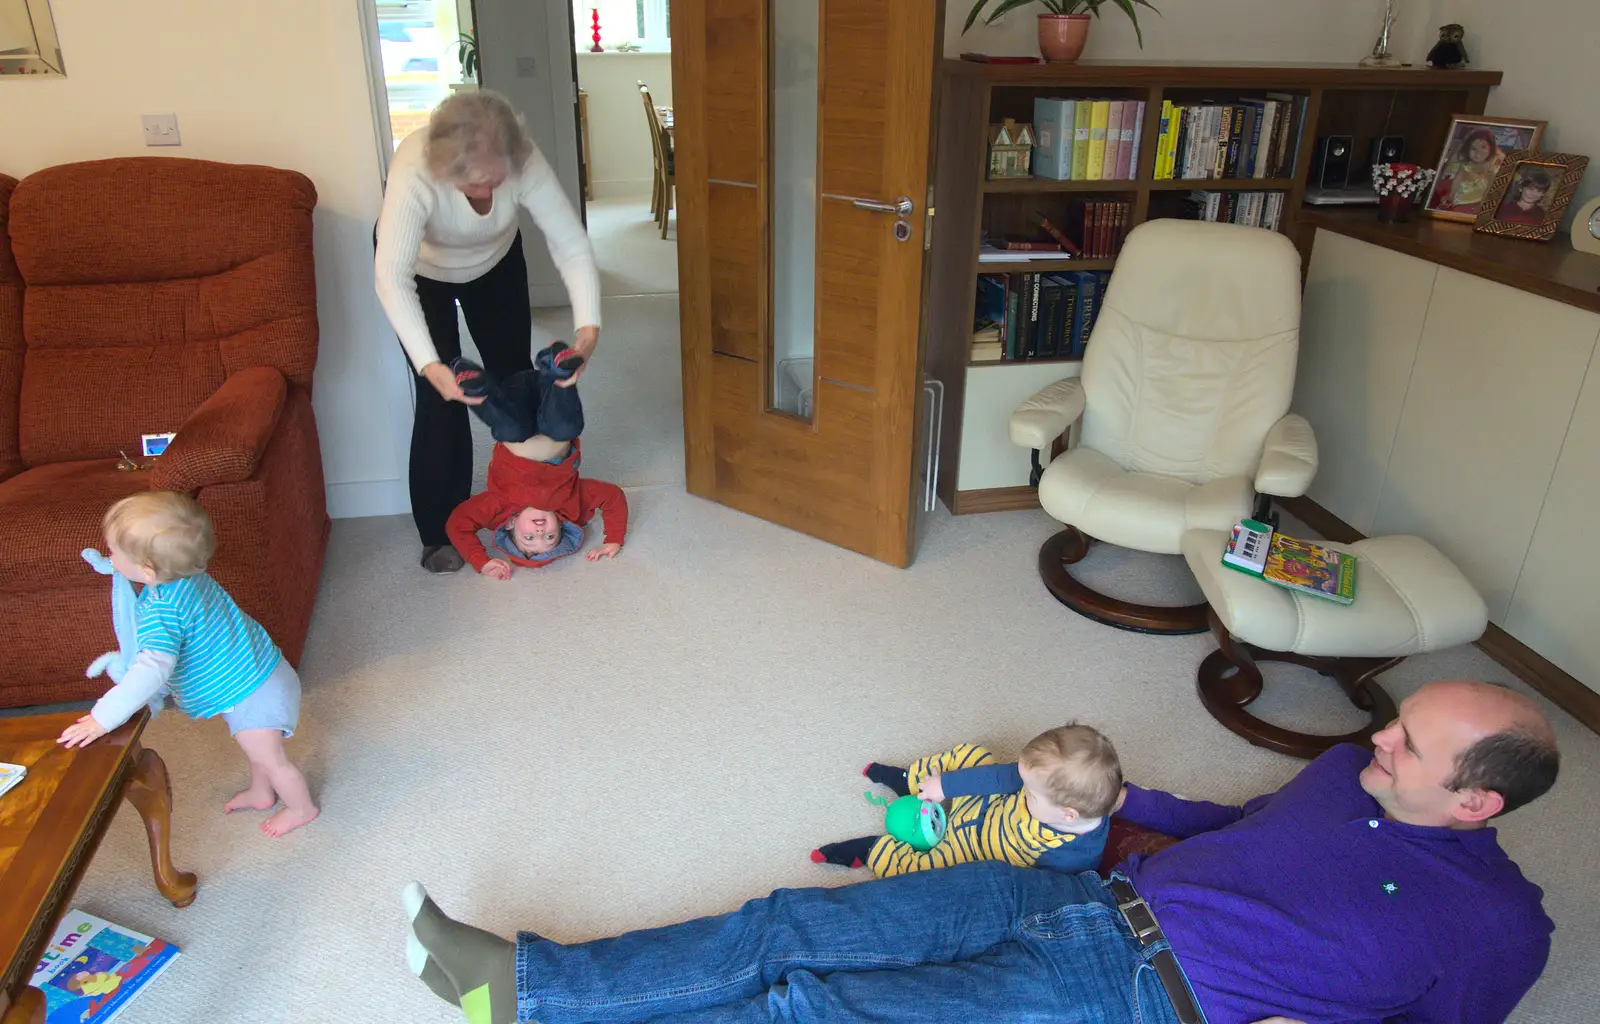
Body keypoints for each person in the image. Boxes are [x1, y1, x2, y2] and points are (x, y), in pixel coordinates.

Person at [398, 680, 1558, 1024]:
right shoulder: (1338, 775)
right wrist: (1096, 801)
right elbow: (1229, 824)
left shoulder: (1495, 929)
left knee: (814, 1008)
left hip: (1138, 995)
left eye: (1407, 743)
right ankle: (520, 985)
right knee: (784, 923)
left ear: (1474, 806)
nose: (1374, 734)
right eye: (1395, 716)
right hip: (1070, 889)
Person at [375, 89, 602, 574]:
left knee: (516, 383)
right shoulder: (415, 167)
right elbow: (391, 276)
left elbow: (570, 243)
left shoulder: (523, 156)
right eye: (472, 185)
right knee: (443, 397)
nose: (485, 194)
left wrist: (587, 327)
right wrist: (429, 363)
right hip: (421, 272)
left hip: (495, 262)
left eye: (494, 182)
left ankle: (530, 505)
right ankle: (440, 531)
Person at [58, 492, 317, 838]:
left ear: (148, 570)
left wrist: (103, 717)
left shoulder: (161, 612)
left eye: (115, 553)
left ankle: (301, 807)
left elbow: (151, 671)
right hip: (259, 671)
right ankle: (262, 792)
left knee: (270, 756)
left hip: (255, 690)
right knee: (250, 742)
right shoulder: (188, 575)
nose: (111, 557)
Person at [813, 725, 1119, 877]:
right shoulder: (1050, 787)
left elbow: (1022, 887)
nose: (1021, 786)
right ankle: (912, 781)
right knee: (974, 754)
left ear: (1068, 815)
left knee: (927, 873)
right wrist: (944, 787)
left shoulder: (1071, 858)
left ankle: (873, 851)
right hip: (986, 805)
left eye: (1030, 792)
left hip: (974, 849)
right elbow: (1000, 777)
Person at [444, 351, 627, 578]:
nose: (540, 532)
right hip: (546, 398)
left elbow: (457, 523)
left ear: (511, 524)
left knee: (512, 430)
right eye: (550, 537)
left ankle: (477, 387)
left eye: (529, 538)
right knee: (567, 428)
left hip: (513, 406)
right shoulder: (572, 503)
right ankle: (557, 370)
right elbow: (613, 497)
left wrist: (481, 561)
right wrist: (614, 540)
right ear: (561, 526)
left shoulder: (498, 505)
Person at [1429, 127, 1501, 215]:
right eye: (1473, 149)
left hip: (1485, 192)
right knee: (1449, 201)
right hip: (1468, 188)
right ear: (1467, 149)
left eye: (1483, 147)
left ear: (1491, 148)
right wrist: (1451, 194)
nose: (1478, 153)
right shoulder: (1467, 162)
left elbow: (1491, 187)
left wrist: (1483, 204)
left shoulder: (1492, 164)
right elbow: (1459, 177)